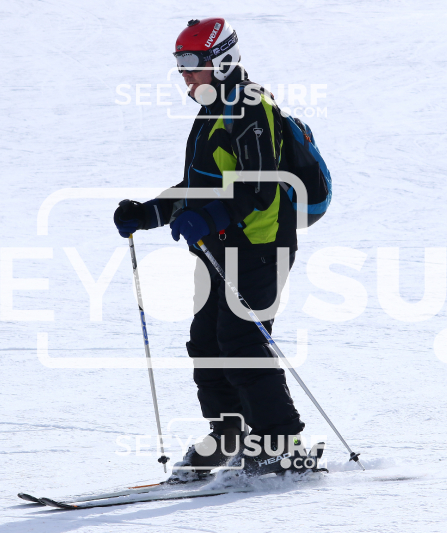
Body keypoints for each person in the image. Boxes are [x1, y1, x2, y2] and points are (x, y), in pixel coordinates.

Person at [113, 18, 309, 479]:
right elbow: (198, 186)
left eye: (192, 65)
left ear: (222, 61)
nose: (185, 75)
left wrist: (209, 218)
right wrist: (148, 213)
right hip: (218, 250)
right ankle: (232, 435)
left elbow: (260, 187)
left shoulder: (251, 106)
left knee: (241, 341)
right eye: (180, 66)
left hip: (260, 246)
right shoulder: (212, 110)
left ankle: (282, 444)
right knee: (206, 341)